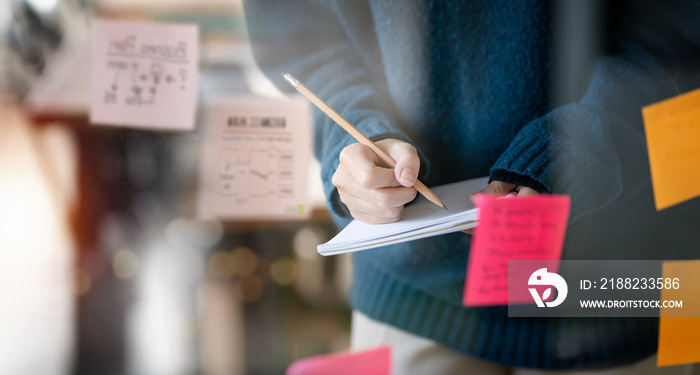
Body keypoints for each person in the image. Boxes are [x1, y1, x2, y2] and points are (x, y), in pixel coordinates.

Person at [244, 0, 700, 373]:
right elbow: (303, 43)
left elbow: (679, 37)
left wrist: (575, 153)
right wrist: (358, 135)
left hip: (624, 279)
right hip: (414, 286)